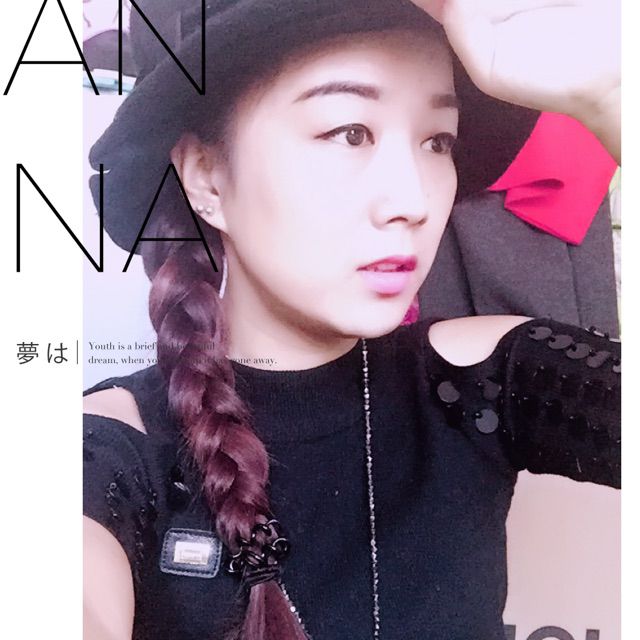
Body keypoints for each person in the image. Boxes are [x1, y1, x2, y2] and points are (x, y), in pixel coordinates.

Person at [82, 2, 621, 640]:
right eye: (350, 133)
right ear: (207, 178)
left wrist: (617, 98)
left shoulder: (478, 379)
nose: (412, 201)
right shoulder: (109, 451)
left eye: (437, 141)